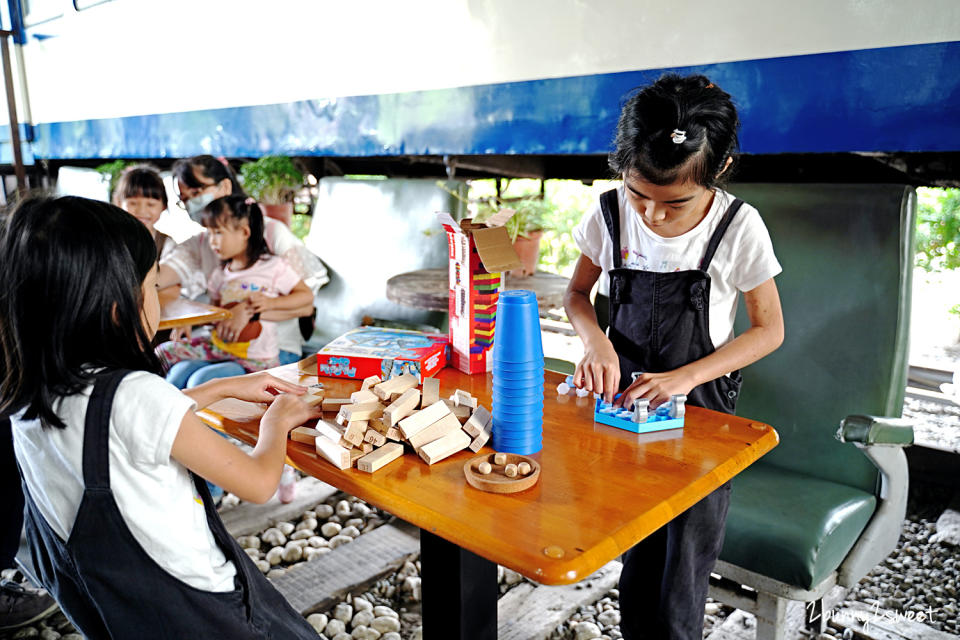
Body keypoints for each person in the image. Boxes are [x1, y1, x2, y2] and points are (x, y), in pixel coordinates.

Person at [0, 195, 321, 638]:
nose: (158, 298)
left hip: (119, 610)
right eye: (153, 286)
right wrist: (277, 420)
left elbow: (124, 424)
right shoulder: (136, 396)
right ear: (116, 307)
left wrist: (221, 387)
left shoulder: (29, 390)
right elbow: (259, 482)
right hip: (199, 605)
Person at [563, 74, 784, 640]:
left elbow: (768, 330)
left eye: (674, 202)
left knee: (683, 569)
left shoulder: (738, 228)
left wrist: (683, 379)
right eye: (638, 194)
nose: (652, 216)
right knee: (636, 547)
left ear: (721, 169)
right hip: (624, 412)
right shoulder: (608, 215)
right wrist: (597, 342)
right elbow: (575, 297)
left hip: (701, 419)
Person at [158, 155, 328, 389]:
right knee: (178, 373)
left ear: (224, 186)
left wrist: (247, 311)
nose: (190, 205)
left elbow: (306, 304)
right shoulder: (201, 243)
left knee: (201, 382)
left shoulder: (272, 234)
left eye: (196, 192)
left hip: (274, 349)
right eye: (184, 199)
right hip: (223, 343)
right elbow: (162, 278)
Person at [156, 195, 314, 374]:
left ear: (245, 233)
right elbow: (216, 312)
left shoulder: (274, 267)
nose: (211, 241)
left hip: (257, 357)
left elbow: (306, 296)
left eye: (218, 232)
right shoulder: (219, 275)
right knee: (162, 353)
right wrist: (189, 320)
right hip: (220, 348)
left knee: (201, 379)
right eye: (209, 233)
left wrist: (270, 303)